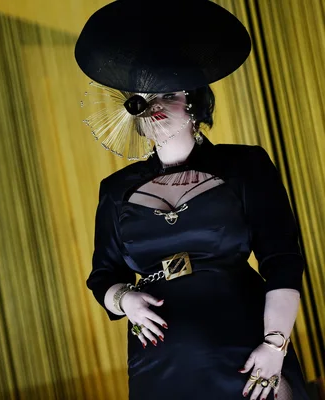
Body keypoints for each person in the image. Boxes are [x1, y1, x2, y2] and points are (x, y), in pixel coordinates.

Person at [75, 1, 310, 399]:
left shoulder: (245, 165)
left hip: (244, 344)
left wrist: (275, 345)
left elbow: (282, 260)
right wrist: (125, 299)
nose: (153, 106)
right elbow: (103, 276)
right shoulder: (115, 189)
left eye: (167, 93)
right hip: (159, 361)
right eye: (143, 97)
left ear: (194, 103)